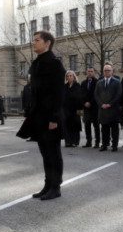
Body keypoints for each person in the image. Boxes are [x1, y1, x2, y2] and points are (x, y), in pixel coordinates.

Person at [18, 31, 65, 201]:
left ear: (47, 43)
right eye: (33, 40)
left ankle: (55, 187)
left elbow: (59, 94)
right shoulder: (37, 63)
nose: (33, 43)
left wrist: (54, 118)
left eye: (37, 40)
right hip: (38, 116)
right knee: (45, 154)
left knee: (53, 153)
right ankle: (47, 185)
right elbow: (33, 93)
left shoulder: (54, 64)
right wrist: (28, 113)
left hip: (50, 117)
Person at [95, 64, 122, 152]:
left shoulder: (117, 82)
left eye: (108, 70)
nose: (107, 72)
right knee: (104, 128)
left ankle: (114, 145)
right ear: (103, 72)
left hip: (113, 109)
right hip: (102, 110)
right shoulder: (99, 82)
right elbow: (96, 95)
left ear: (112, 71)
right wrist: (101, 104)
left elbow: (118, 95)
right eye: (105, 70)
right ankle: (104, 145)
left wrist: (110, 104)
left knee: (114, 129)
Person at [81, 66, 100, 148]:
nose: (90, 73)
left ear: (94, 72)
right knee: (87, 125)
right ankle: (88, 142)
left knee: (96, 125)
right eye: (88, 71)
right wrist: (84, 103)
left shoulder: (97, 82)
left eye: (91, 71)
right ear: (86, 72)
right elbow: (81, 94)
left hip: (94, 107)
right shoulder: (83, 83)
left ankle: (97, 142)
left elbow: (97, 94)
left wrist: (90, 102)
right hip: (86, 108)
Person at [63, 70, 83, 147]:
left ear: (74, 76)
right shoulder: (65, 86)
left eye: (70, 76)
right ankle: (68, 141)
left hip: (75, 109)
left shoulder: (77, 86)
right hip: (66, 109)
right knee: (67, 125)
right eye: (67, 76)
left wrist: (79, 108)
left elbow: (80, 98)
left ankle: (75, 141)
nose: (69, 77)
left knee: (75, 126)